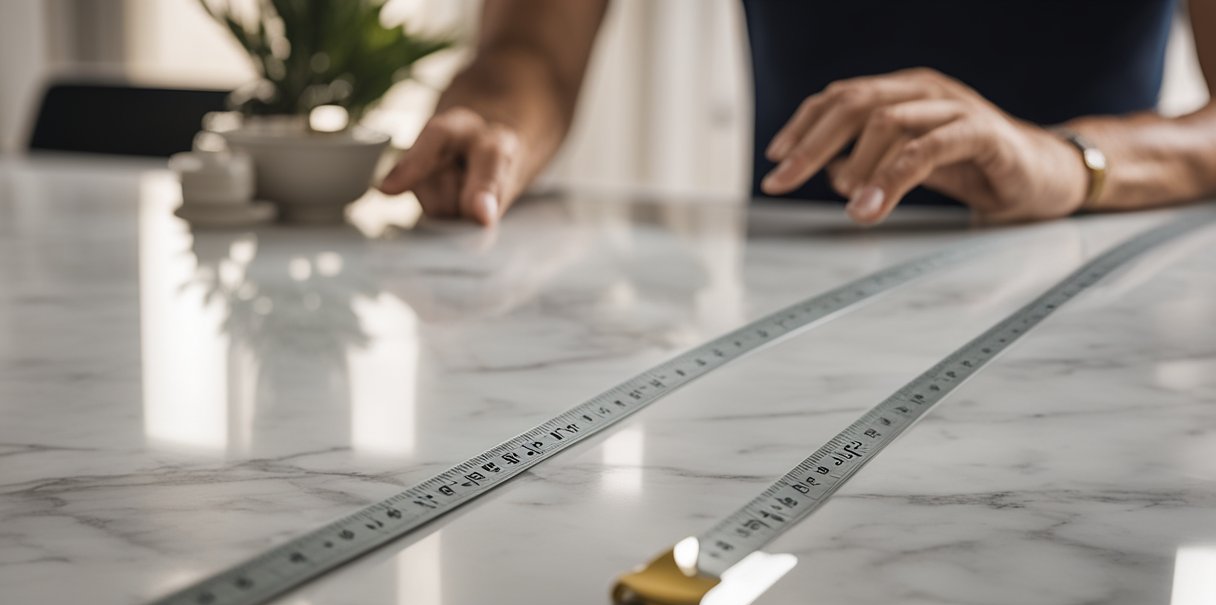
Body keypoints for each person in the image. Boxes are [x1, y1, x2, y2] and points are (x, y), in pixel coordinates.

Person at [379, 0, 1216, 227]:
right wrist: (496, 131)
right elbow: (530, 49)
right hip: (800, 282)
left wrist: (1066, 163)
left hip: (1091, 271)